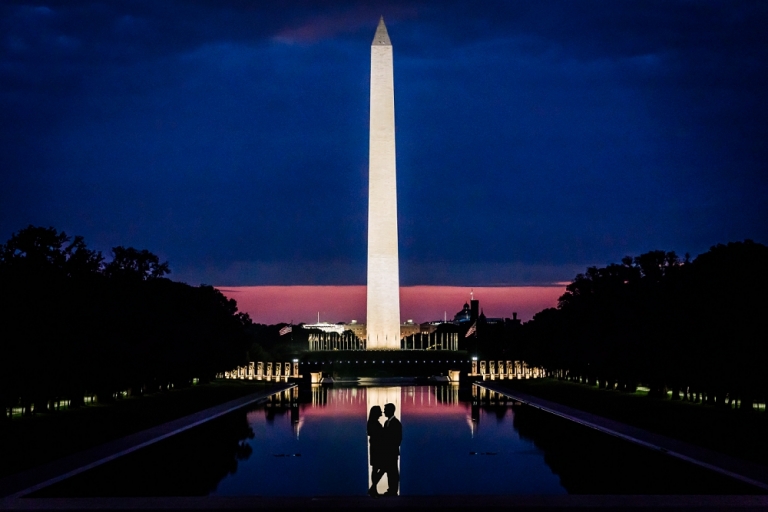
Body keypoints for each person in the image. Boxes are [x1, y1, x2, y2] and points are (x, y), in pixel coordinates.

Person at [381, 402, 402, 496]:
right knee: (390, 470)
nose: (384, 412)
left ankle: (393, 489)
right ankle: (392, 489)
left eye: (385, 410)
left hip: (392, 451)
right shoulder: (388, 422)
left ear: (391, 411)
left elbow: (398, 438)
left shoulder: (395, 423)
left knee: (392, 470)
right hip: (388, 451)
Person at [367, 406, 385, 498]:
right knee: (380, 468)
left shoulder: (371, 422)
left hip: (375, 448)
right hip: (377, 448)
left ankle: (373, 488)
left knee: (376, 468)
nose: (381, 413)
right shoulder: (374, 423)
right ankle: (373, 488)